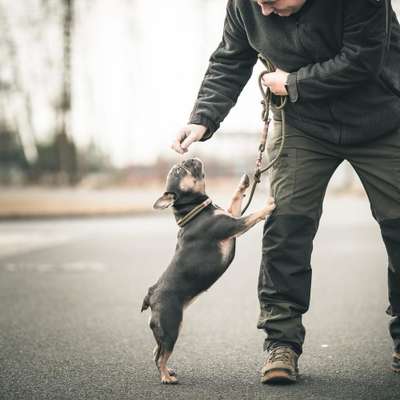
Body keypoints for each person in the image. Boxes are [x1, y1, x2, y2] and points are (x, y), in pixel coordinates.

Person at [171, 0, 400, 384]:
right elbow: (231, 58)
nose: (266, 11)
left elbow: (363, 58)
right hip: (303, 125)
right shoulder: (248, 4)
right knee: (285, 227)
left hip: (381, 118)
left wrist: (293, 83)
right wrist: (202, 118)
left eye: (274, 2)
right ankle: (281, 342)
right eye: (258, 3)